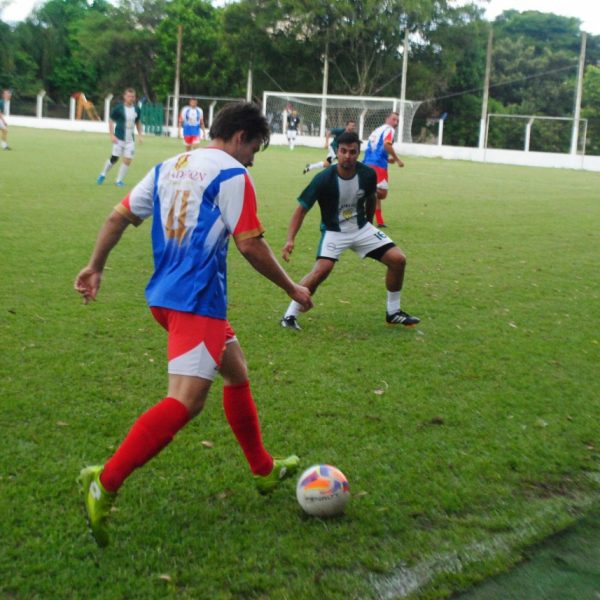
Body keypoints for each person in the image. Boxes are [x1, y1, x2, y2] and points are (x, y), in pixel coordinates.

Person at [75, 102, 313, 547]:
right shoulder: (232, 174)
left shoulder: (170, 165)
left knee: (236, 369)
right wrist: (292, 288)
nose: (253, 160)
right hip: (195, 303)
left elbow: (117, 217)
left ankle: (263, 469)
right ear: (240, 137)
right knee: (185, 403)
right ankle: (104, 482)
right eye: (254, 149)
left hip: (165, 298)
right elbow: (250, 245)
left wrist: (95, 266)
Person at [280, 131, 419, 331]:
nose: (347, 156)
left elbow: (371, 198)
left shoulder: (368, 174)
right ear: (337, 152)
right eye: (343, 151)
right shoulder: (324, 179)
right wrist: (290, 240)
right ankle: (289, 315)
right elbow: (301, 209)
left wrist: (369, 223)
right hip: (334, 231)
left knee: (398, 260)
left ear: (358, 152)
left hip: (361, 228)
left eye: (352, 152)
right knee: (322, 270)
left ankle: (393, 312)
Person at [363, 112, 404, 228]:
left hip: (368, 163)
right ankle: (361, 198)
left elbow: (374, 148)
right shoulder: (389, 130)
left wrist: (387, 160)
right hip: (378, 165)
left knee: (375, 193)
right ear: (387, 119)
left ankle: (379, 220)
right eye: (393, 119)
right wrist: (397, 159)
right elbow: (387, 145)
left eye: (397, 121)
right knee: (381, 193)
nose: (395, 123)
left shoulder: (377, 130)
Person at [96, 88, 143, 187]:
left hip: (130, 140)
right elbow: (111, 121)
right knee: (114, 159)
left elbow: (138, 122)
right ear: (124, 97)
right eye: (129, 96)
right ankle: (103, 174)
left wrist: (140, 135)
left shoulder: (137, 109)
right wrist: (111, 135)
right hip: (119, 138)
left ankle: (119, 180)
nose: (131, 98)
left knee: (128, 160)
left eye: (133, 96)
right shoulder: (119, 108)